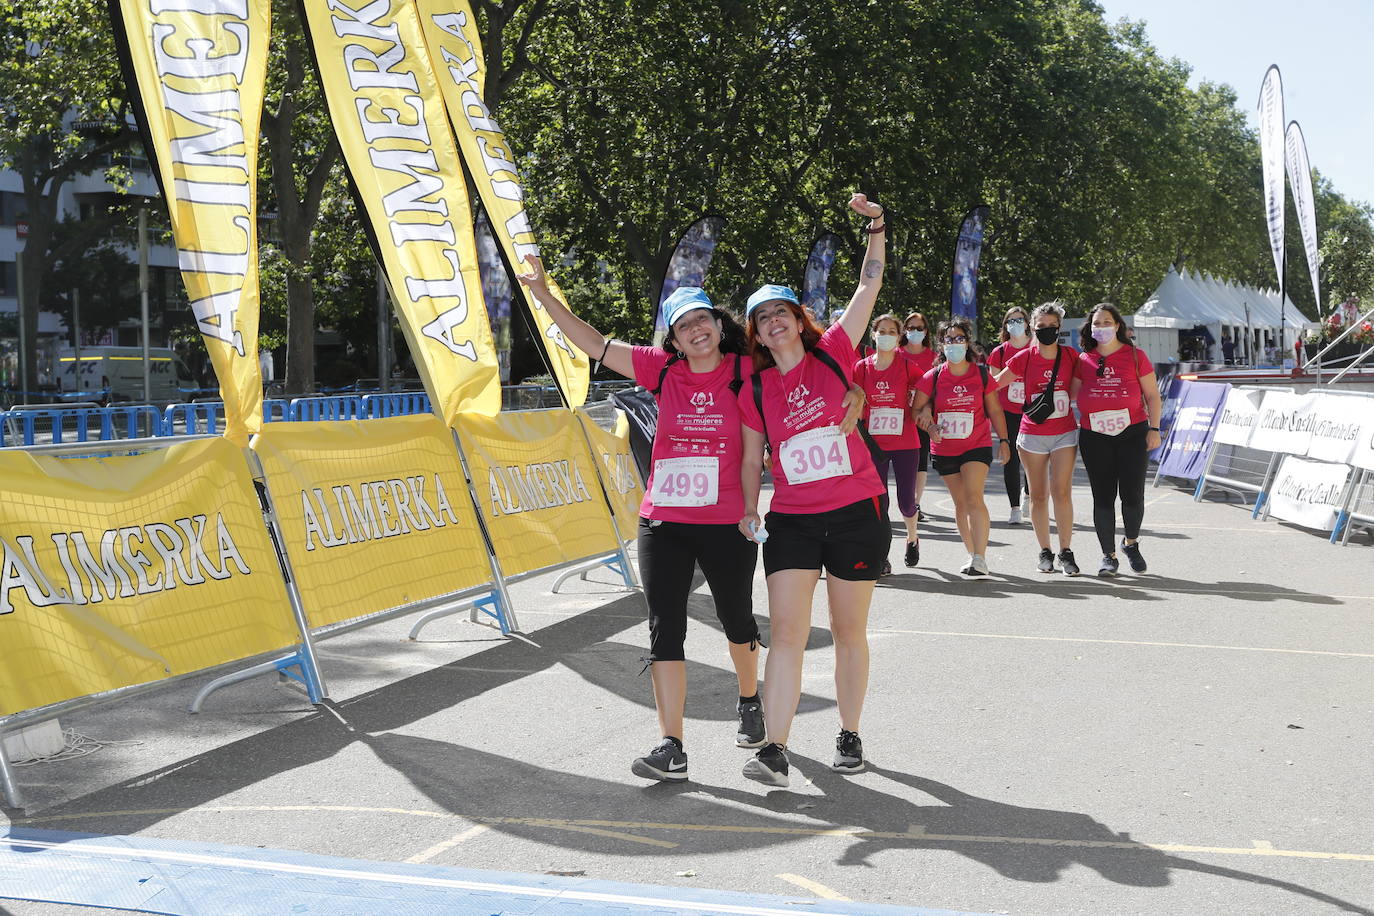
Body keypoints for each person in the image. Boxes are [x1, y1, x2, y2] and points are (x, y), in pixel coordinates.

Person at [515, 270, 771, 783]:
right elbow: (591, 342)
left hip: (726, 521)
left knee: (737, 620)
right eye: (683, 326)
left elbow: (801, 372)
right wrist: (543, 294)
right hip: (663, 520)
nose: (696, 330)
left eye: (703, 319)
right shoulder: (662, 369)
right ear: (673, 339)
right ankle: (671, 745)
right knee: (664, 629)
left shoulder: (748, 369)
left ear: (719, 325)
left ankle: (749, 700)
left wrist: (751, 508)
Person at [737, 192, 887, 787]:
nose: (775, 321)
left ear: (799, 319)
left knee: (849, 631)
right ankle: (775, 747)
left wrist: (876, 225)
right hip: (794, 518)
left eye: (783, 311)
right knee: (787, 634)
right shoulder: (756, 387)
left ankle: (849, 730)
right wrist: (749, 508)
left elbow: (868, 286)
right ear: (757, 333)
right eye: (763, 317)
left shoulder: (835, 352)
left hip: (856, 509)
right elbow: (752, 458)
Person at [913, 317, 1011, 575]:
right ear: (941, 344)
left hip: (976, 444)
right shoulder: (932, 377)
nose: (954, 343)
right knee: (960, 503)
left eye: (959, 338)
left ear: (967, 342)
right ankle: (972, 553)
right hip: (944, 448)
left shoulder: (979, 373)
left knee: (973, 496)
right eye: (949, 339)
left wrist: (1003, 440)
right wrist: (929, 425)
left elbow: (996, 410)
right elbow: (915, 411)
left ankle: (980, 557)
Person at [1071, 303, 1162, 576]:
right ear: (1090, 328)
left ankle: (1130, 542)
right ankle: (1108, 556)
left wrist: (1154, 429)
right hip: (1095, 436)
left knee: (1132, 496)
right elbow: (1070, 395)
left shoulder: (1136, 356)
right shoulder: (1083, 359)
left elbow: (1153, 396)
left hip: (1132, 433)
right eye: (1097, 323)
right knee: (1103, 497)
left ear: (1118, 325)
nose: (1102, 328)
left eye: (1107, 322)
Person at [993, 302, 1081, 576]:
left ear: (1059, 328)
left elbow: (1080, 390)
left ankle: (1066, 551)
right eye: (1041, 327)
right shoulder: (1024, 358)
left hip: (1064, 432)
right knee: (1038, 495)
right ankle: (1045, 550)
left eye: (1052, 327)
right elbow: (994, 384)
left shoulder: (1069, 356)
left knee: (1062, 492)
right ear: (1033, 329)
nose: (1046, 331)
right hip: (1032, 435)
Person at [853, 314, 924, 571]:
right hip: (874, 445)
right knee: (878, 502)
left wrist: (922, 410)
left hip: (906, 442)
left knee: (906, 501)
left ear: (898, 336)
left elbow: (926, 391)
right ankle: (881, 556)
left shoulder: (907, 366)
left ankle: (912, 537)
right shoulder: (861, 368)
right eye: (881, 331)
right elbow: (854, 404)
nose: (885, 336)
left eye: (891, 332)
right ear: (874, 335)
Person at [985, 306, 1032, 524]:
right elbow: (992, 387)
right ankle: (1014, 507)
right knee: (1010, 457)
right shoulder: (999, 352)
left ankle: (1029, 495)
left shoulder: (1037, 347)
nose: (1015, 324)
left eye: (1019, 320)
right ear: (1005, 325)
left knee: (1032, 457)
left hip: (1033, 410)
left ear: (1028, 323)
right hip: (1007, 412)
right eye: (1011, 321)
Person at [900, 312, 936, 520]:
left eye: (919, 328)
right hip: (896, 415)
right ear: (905, 330)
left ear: (926, 331)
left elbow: (937, 388)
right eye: (911, 327)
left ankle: (916, 503)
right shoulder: (896, 353)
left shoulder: (932, 357)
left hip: (922, 414)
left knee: (920, 459)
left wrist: (928, 408)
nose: (915, 332)